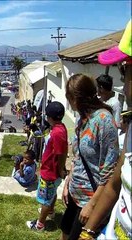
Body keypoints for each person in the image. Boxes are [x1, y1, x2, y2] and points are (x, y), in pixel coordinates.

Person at [77, 20, 131, 240]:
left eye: (126, 72)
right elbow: (115, 184)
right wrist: (88, 232)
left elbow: (108, 168)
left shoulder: (109, 114)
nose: (124, 85)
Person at [59, 74, 119, 240]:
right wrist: (68, 181)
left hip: (89, 199)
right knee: (64, 230)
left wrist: (91, 205)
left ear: (77, 98)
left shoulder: (103, 120)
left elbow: (110, 169)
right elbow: (78, 156)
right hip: (74, 193)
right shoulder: (82, 118)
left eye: (69, 97)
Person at [27, 101, 68, 231]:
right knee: (52, 192)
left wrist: (60, 169)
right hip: (50, 169)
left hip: (50, 172)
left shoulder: (57, 133)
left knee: (45, 199)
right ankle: (50, 211)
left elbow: (61, 153)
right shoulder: (60, 128)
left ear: (49, 117)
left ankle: (39, 224)